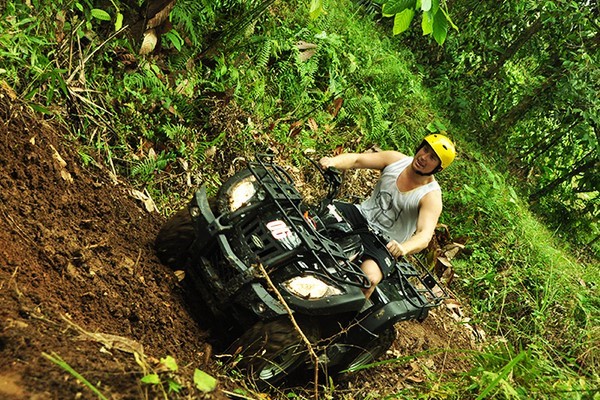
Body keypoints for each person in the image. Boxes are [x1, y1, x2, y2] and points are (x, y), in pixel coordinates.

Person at [319, 133, 456, 299]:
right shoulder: (395, 160)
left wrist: (403, 247)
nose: (424, 157)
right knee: (316, 215)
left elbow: (424, 235)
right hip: (360, 215)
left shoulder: (430, 197)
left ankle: (341, 322)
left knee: (368, 279)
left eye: (432, 157)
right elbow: (357, 160)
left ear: (438, 168)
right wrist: (332, 162)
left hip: (384, 243)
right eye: (425, 149)